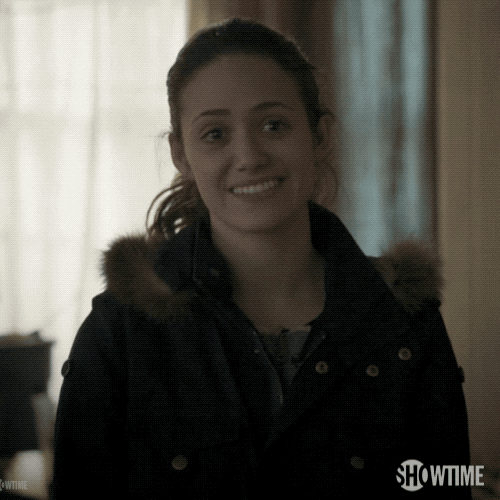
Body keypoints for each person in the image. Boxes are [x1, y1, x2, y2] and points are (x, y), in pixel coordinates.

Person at [52, 18, 470, 499]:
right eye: (214, 134)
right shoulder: (120, 333)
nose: (249, 156)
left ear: (320, 136)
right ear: (181, 155)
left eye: (274, 125)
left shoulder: (404, 323)